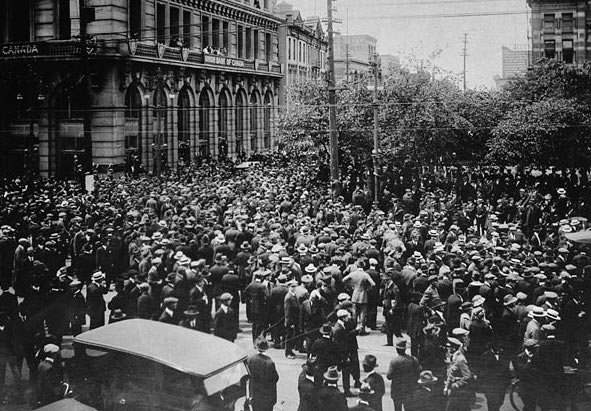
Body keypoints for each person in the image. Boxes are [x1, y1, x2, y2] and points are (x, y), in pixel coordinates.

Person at [386, 338, 422, 411]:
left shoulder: (394, 361)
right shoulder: (413, 359)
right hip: (409, 389)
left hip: (397, 390)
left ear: (397, 350)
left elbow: (389, 376)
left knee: (397, 409)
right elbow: (419, 371)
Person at [247, 337, 279, 411]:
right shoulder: (269, 362)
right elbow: (275, 378)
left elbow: (248, 376)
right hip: (267, 396)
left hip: (255, 394)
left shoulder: (251, 359)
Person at [443, 337, 472, 411]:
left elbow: (467, 376)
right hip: (453, 391)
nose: (448, 349)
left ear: (453, 348)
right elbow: (450, 374)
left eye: (449, 347)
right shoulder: (454, 357)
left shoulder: (460, 359)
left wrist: (457, 384)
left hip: (460, 392)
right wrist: (446, 387)